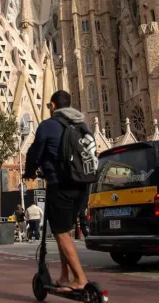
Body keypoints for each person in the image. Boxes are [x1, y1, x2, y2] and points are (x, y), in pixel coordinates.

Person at [23, 90, 94, 292]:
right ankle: (64, 276)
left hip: (60, 184)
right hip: (82, 184)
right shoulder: (82, 125)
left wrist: (30, 172)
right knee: (63, 230)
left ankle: (80, 279)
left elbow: (35, 152)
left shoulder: (48, 126)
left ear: (53, 106)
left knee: (61, 233)